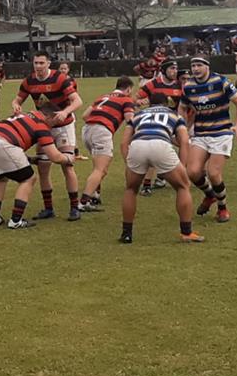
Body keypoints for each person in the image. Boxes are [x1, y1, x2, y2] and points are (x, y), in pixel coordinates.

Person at [118, 92, 205, 244]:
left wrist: (129, 162)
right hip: (160, 145)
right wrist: (182, 166)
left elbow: (123, 143)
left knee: (131, 189)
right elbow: (184, 142)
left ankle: (126, 233)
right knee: (183, 186)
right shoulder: (174, 115)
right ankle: (186, 232)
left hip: (137, 145)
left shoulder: (138, 115)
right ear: (166, 103)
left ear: (150, 103)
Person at [11, 51, 85, 221]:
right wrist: (15, 105)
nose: (38, 66)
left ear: (48, 63)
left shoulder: (60, 78)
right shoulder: (29, 81)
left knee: (67, 165)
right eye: (36, 63)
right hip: (43, 127)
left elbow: (78, 101)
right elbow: (17, 99)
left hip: (64, 127)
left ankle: (75, 208)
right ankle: (48, 208)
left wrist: (65, 112)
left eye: (41, 63)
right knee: (43, 167)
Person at [0, 111, 76, 228]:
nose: (53, 126)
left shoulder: (27, 115)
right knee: (29, 179)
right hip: (1, 144)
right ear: (49, 116)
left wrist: (30, 159)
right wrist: (68, 158)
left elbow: (14, 141)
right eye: (55, 122)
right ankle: (16, 220)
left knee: (0, 178)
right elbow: (55, 157)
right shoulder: (42, 125)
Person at [180, 56, 237, 223]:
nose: (195, 69)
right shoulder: (188, 86)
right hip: (201, 134)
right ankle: (210, 195)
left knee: (214, 173)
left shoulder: (220, 81)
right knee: (192, 172)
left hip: (221, 133)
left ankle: (222, 207)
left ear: (207, 66)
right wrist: (182, 127)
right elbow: (182, 107)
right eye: (193, 66)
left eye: (199, 65)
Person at [79, 76, 137, 212]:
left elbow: (85, 115)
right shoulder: (126, 99)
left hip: (87, 130)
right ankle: (83, 203)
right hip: (101, 131)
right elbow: (130, 119)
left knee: (100, 168)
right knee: (99, 169)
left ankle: (95, 195)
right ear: (129, 89)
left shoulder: (102, 97)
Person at [134, 59, 184, 194]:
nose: (174, 71)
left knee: (185, 146)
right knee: (154, 149)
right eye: (171, 69)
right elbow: (136, 98)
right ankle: (147, 184)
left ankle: (164, 177)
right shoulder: (153, 84)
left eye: (176, 68)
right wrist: (140, 101)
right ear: (163, 71)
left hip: (175, 123)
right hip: (158, 123)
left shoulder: (180, 85)